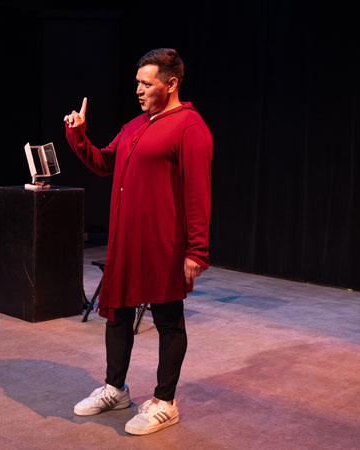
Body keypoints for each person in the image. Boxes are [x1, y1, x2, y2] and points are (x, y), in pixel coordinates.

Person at [63, 48, 212, 435]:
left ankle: (165, 402)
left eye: (147, 84)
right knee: (118, 313)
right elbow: (102, 162)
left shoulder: (190, 127)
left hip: (164, 243)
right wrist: (78, 135)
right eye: (137, 83)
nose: (139, 90)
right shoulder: (134, 125)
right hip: (126, 241)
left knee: (167, 319)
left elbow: (198, 194)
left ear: (171, 83)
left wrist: (196, 250)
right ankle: (115, 388)